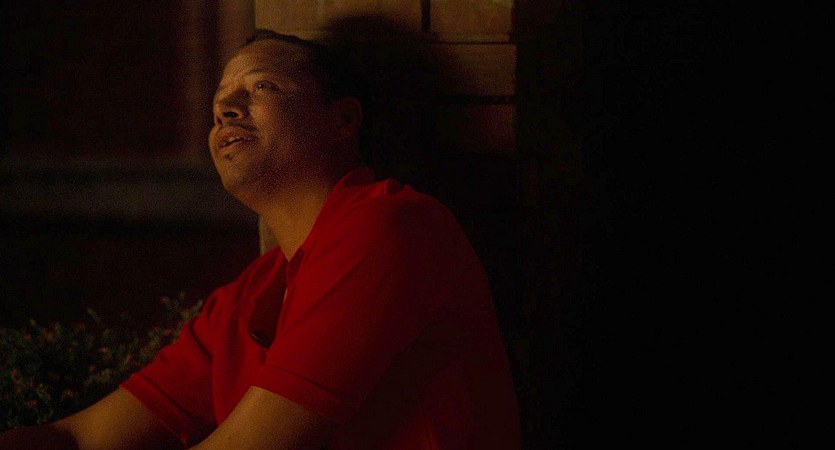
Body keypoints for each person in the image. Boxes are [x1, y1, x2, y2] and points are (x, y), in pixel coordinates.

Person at [0, 30, 521, 449]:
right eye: (218, 100)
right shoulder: (248, 296)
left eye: (262, 86)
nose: (226, 108)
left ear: (343, 119)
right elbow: (81, 436)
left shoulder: (389, 226)